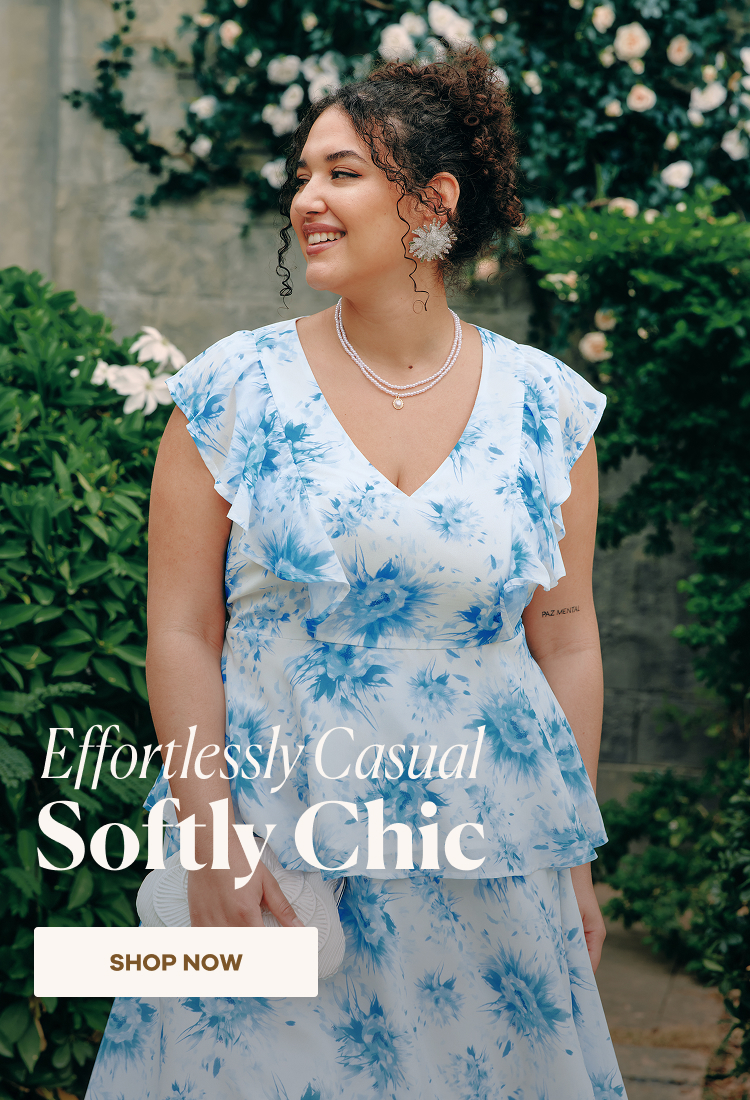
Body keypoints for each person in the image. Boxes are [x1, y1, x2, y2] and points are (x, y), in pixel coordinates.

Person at [85, 47, 627, 1100]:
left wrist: (573, 858)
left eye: (341, 172)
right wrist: (212, 841)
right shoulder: (231, 390)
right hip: (275, 849)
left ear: (433, 201)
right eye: (302, 174)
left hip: (484, 856)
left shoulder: (548, 411)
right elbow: (182, 630)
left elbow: (565, 637)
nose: (307, 198)